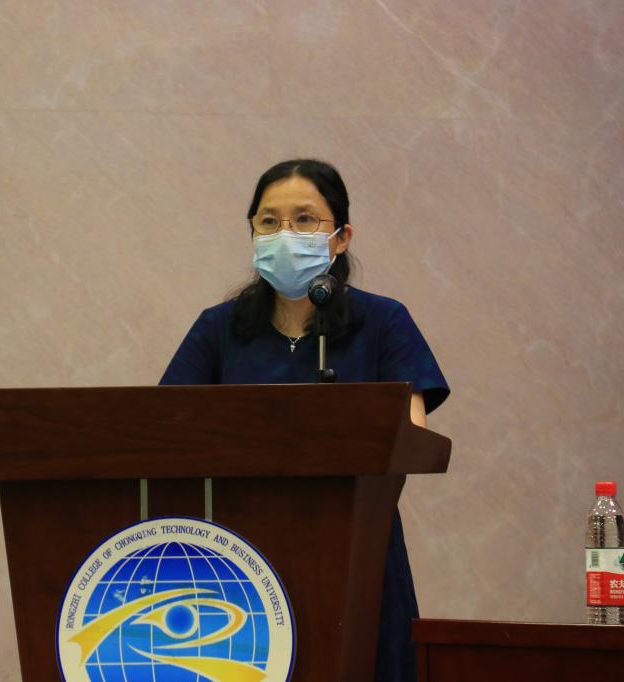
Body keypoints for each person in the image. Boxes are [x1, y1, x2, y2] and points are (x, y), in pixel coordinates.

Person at [159, 158, 450, 681]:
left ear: (341, 238)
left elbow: (411, 438)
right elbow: (161, 431)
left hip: (358, 552)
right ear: (252, 233)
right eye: (269, 221)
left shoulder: (383, 322)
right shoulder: (219, 329)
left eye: (304, 219)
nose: (284, 233)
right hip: (237, 559)